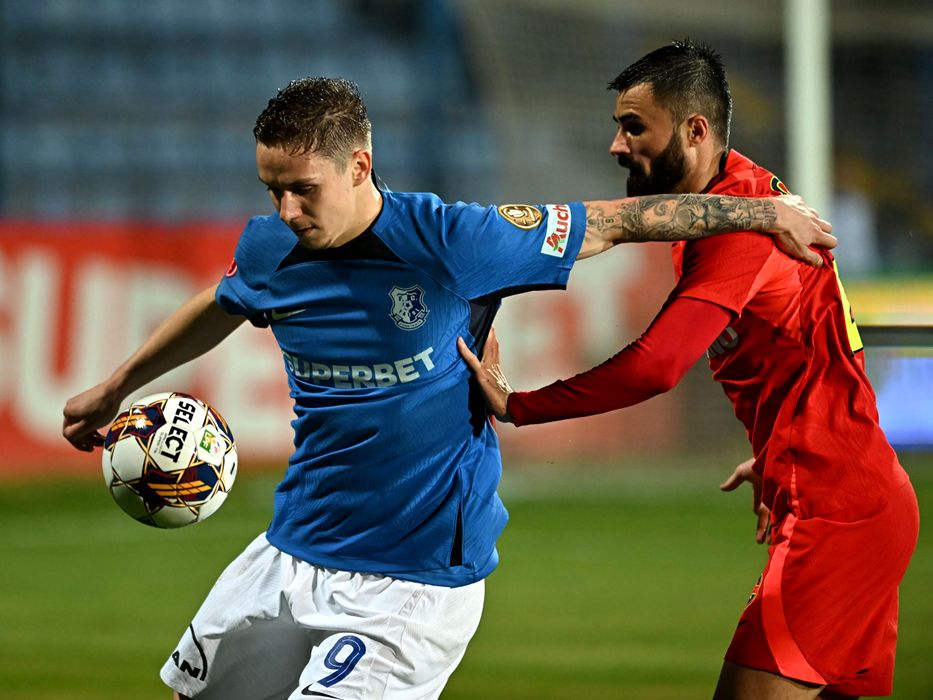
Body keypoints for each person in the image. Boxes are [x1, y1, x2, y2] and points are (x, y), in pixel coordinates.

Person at [61, 76, 834, 700]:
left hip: (413, 584)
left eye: (301, 189)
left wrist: (760, 212)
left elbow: (620, 222)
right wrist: (115, 385)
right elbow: (227, 299)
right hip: (292, 548)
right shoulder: (271, 247)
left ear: (359, 166)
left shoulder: (454, 240)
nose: (285, 211)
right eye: (271, 191)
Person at [459, 41, 918, 700]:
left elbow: (657, 366)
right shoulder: (743, 203)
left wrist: (521, 405)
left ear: (694, 130)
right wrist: (780, 449)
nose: (616, 146)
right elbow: (811, 338)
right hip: (849, 494)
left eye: (634, 128)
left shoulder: (740, 228)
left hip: (836, 513)